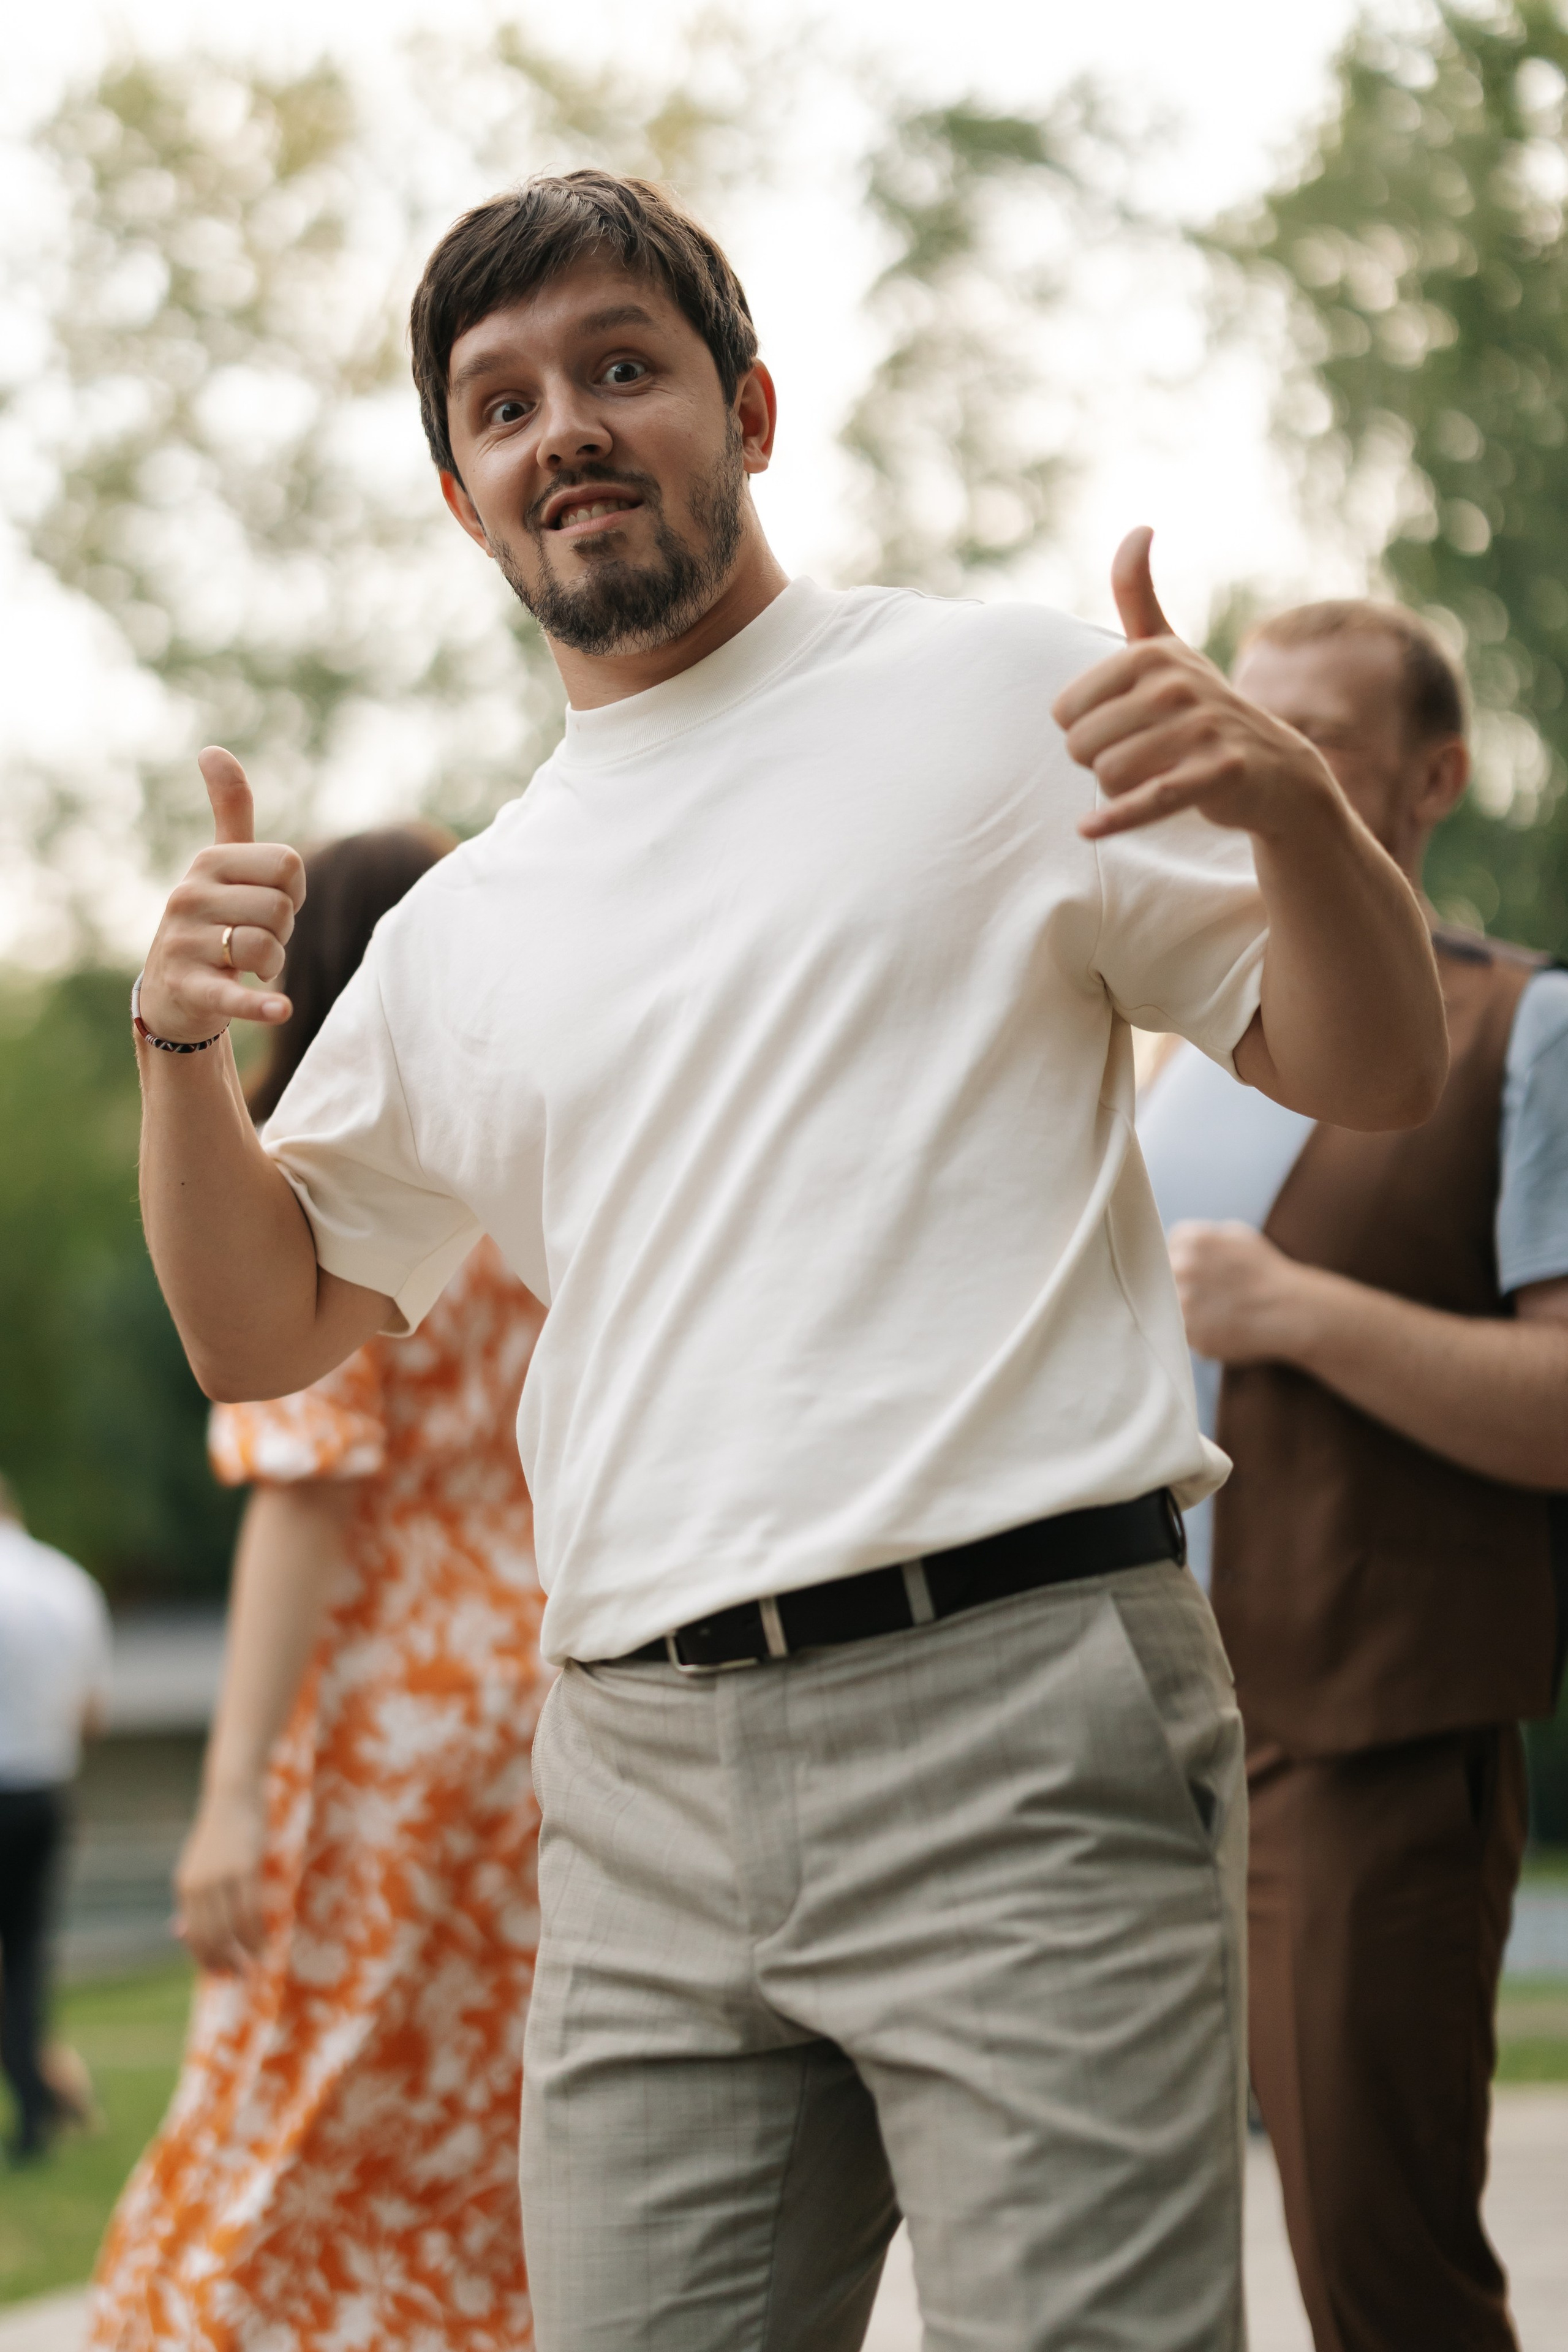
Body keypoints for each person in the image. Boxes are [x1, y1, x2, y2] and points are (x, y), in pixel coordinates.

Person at [127, 170, 1449, 2350]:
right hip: (635, 1778)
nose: (561, 422)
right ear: (461, 499)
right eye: (500, 400)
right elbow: (259, 1323)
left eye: (618, 368)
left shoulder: (1003, 696)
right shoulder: (472, 924)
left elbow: (1370, 1070)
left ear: (743, 408)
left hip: (1018, 1711)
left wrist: (1296, 807)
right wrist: (180, 1052)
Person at [1140, 600, 1568, 2352]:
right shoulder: (1170, 1041)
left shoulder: (1526, 1031)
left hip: (1369, 1760)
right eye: (1251, 720)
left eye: (1317, 730)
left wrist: (1293, 1311)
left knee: (1384, 2293)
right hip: (1118, 1742)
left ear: (1435, 774)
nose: (1271, 759)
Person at [88, 826, 549, 2351]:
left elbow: (305, 1494)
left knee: (291, 2104)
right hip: (542, 1718)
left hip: (380, 1729)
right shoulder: (523, 1180)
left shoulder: (319, 1194)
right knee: (485, 2117)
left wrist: (227, 1794)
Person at [0, 1469, 112, 2162]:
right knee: (27, 1956)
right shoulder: (69, 1584)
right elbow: (92, 1713)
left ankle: (39, 2093)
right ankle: (39, 2103)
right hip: (46, 1789)